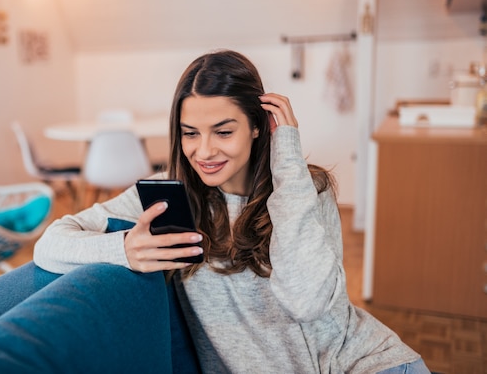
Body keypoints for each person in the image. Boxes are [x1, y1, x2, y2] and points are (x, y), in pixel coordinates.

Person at [33, 50, 430, 373]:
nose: (203, 152)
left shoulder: (304, 190)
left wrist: (287, 155)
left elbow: (307, 302)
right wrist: (124, 249)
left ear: (257, 126)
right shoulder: (171, 193)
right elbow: (49, 245)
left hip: (366, 363)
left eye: (223, 131)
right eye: (191, 133)